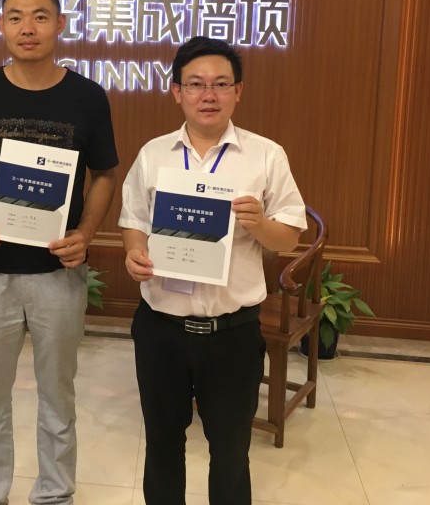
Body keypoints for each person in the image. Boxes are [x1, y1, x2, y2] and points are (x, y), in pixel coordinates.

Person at [0, 0, 119, 505]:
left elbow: (105, 175)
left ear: (60, 24)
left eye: (40, 16)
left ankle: (55, 494)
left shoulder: (87, 97)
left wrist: (86, 234)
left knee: (57, 396)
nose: (28, 28)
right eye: (15, 16)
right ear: (0, 24)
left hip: (58, 273)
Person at [119, 36, 307, 505]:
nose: (209, 95)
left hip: (232, 333)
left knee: (230, 452)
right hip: (162, 329)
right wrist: (134, 252)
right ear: (176, 91)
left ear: (238, 91)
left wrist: (259, 223)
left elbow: (290, 237)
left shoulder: (266, 155)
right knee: (162, 444)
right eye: (196, 84)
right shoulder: (154, 154)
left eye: (221, 84)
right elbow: (133, 220)